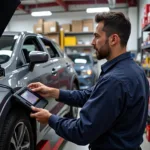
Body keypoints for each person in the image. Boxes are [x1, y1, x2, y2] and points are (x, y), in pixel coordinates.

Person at [28, 12, 149, 150]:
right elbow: (90, 95)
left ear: (113, 39)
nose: (92, 42)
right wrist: (54, 92)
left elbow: (81, 132)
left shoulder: (114, 81)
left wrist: (50, 119)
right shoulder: (137, 71)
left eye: (97, 36)